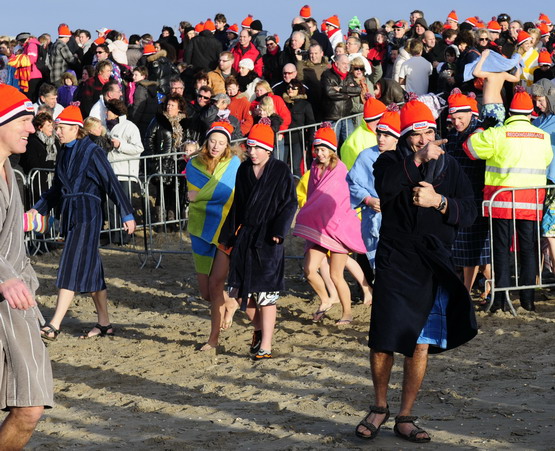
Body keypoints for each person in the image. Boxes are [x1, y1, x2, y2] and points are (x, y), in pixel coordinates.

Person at [355, 98, 478, 443]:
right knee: (382, 339)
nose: (424, 139)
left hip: (434, 260)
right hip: (396, 258)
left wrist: (439, 202)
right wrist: (418, 160)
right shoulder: (388, 161)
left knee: (420, 344)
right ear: (405, 137)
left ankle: (406, 415)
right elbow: (387, 187)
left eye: (428, 132)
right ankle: (379, 407)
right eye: (415, 134)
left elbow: (469, 210)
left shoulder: (451, 166)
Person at [29, 105, 136, 340]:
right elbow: (57, 188)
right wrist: (38, 208)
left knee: (70, 263)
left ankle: (54, 324)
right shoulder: (64, 152)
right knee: (92, 270)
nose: (58, 132)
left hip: (88, 215)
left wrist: (126, 213)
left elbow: (111, 182)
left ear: (76, 129)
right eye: (57, 128)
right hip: (70, 214)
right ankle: (105, 324)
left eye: (62, 128)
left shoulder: (92, 151)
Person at [463, 87, 553, 312]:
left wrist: (483, 127)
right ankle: (528, 299)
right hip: (531, 200)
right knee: (529, 250)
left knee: (501, 249)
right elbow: (547, 159)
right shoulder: (542, 136)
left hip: (500, 201)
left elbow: (470, 148)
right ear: (530, 113)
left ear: (510, 113)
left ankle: (501, 299)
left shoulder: (498, 133)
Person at [0, 84, 54, 449]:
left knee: (31, 406)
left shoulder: (9, 171)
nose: (31, 128)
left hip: (17, 303)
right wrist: (4, 277)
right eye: (22, 119)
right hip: (6, 289)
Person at [219, 119, 297, 360]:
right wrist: (228, 235)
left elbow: (289, 203)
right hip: (245, 237)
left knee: (266, 295)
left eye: (257, 148)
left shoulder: (281, 171)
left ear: (269, 149)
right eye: (249, 147)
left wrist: (279, 230)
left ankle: (266, 345)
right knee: (241, 293)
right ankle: (259, 329)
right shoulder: (243, 170)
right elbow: (238, 206)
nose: (251, 152)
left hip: (268, 241)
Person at [294, 124, 366, 325]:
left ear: (332, 150)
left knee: (336, 275)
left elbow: (333, 201)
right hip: (319, 228)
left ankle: (347, 314)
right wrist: (309, 216)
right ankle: (326, 299)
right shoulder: (314, 169)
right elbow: (312, 198)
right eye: (317, 149)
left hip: (338, 229)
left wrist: (310, 213)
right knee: (309, 270)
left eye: (323, 149)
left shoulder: (340, 169)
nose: (320, 153)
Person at [186, 121, 241, 351]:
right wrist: (204, 195)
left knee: (216, 284)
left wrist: (199, 196)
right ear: (206, 141)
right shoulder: (194, 164)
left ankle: (213, 340)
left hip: (225, 229)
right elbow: (207, 192)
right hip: (200, 228)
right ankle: (230, 302)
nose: (216, 146)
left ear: (228, 144)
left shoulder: (234, 163)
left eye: (221, 142)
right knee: (207, 293)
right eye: (213, 141)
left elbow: (223, 192)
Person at [445, 89, 492, 301]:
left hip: (478, 195)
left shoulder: (480, 132)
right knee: (472, 248)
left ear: (470, 114)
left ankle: (466, 291)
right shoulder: (453, 134)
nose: (456, 122)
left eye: (459, 118)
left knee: (473, 247)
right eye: (453, 118)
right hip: (460, 197)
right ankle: (490, 285)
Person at [347, 104, 400, 268]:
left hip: (399, 221)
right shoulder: (366, 156)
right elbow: (352, 183)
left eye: (386, 135)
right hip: (372, 221)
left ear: (397, 137)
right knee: (374, 266)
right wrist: (368, 199)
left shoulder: (406, 157)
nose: (381, 139)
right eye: (379, 134)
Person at [532, 79, 555, 274]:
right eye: (535, 101)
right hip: (541, 179)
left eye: (540, 100)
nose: (537, 105)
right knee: (545, 232)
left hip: (553, 180)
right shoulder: (538, 120)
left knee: (550, 232)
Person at [472, 48, 521, 125]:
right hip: (500, 106)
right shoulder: (503, 74)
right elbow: (517, 78)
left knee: (488, 131)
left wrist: (483, 58)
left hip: (489, 106)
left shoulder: (489, 74)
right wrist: (517, 64)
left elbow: (476, 72)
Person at [320, 54, 361, 146]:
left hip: (346, 116)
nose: (346, 66)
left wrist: (342, 89)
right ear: (336, 63)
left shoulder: (349, 76)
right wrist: (347, 95)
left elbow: (358, 90)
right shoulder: (327, 75)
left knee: (350, 144)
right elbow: (329, 93)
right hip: (332, 118)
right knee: (332, 145)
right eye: (343, 63)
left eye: (348, 64)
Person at [340, 97, 386, 170]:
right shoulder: (351, 143)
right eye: (385, 117)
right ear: (379, 119)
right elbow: (350, 173)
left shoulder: (384, 134)